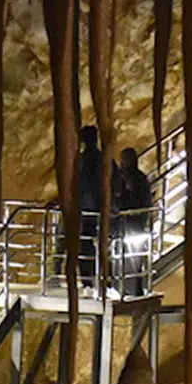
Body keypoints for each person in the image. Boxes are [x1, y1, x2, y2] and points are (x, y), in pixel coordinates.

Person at [114, 147, 154, 296]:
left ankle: (132, 288)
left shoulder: (138, 179)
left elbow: (144, 202)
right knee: (122, 258)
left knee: (133, 259)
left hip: (132, 225)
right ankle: (121, 287)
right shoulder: (123, 177)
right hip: (124, 224)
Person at [76, 125, 104, 291]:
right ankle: (97, 279)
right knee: (94, 246)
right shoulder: (102, 158)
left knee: (84, 246)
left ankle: (88, 280)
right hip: (96, 209)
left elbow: (77, 183)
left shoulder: (83, 160)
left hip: (86, 209)